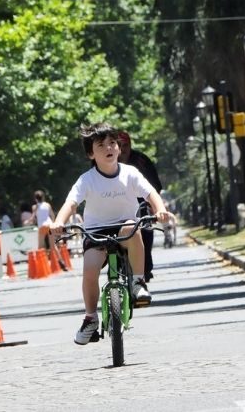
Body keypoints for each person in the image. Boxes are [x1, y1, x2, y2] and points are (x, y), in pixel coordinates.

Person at [49, 122, 172, 345]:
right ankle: (90, 318)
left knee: (132, 228)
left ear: (118, 147)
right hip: (96, 232)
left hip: (125, 226)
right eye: (101, 145)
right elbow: (71, 203)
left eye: (113, 143)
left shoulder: (130, 173)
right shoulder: (86, 180)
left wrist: (160, 209)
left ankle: (138, 283)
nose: (109, 148)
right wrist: (59, 222)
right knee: (90, 268)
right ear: (91, 154)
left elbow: (150, 193)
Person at [117, 131, 163, 282]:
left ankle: (144, 268)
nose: (122, 150)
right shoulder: (106, 161)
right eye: (119, 145)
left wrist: (154, 206)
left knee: (146, 229)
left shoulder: (141, 160)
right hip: (115, 206)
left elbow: (154, 186)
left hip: (140, 204)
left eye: (125, 145)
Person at [28, 190, 67, 271]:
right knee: (53, 246)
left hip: (42, 226)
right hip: (49, 225)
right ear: (43, 197)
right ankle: (61, 262)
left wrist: (28, 221)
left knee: (41, 247)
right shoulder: (47, 205)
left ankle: (42, 265)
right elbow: (52, 215)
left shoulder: (35, 207)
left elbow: (33, 217)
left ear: (35, 199)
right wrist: (53, 224)